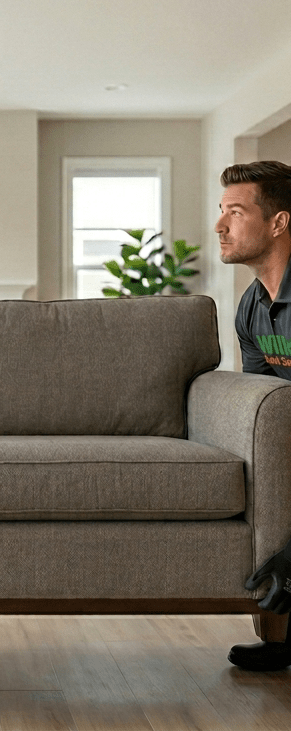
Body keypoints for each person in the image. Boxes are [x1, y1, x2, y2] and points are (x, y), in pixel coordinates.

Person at [215, 160, 291, 671]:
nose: (220, 225)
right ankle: (283, 640)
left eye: (235, 212)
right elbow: (258, 404)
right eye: (221, 211)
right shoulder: (251, 306)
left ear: (279, 222)